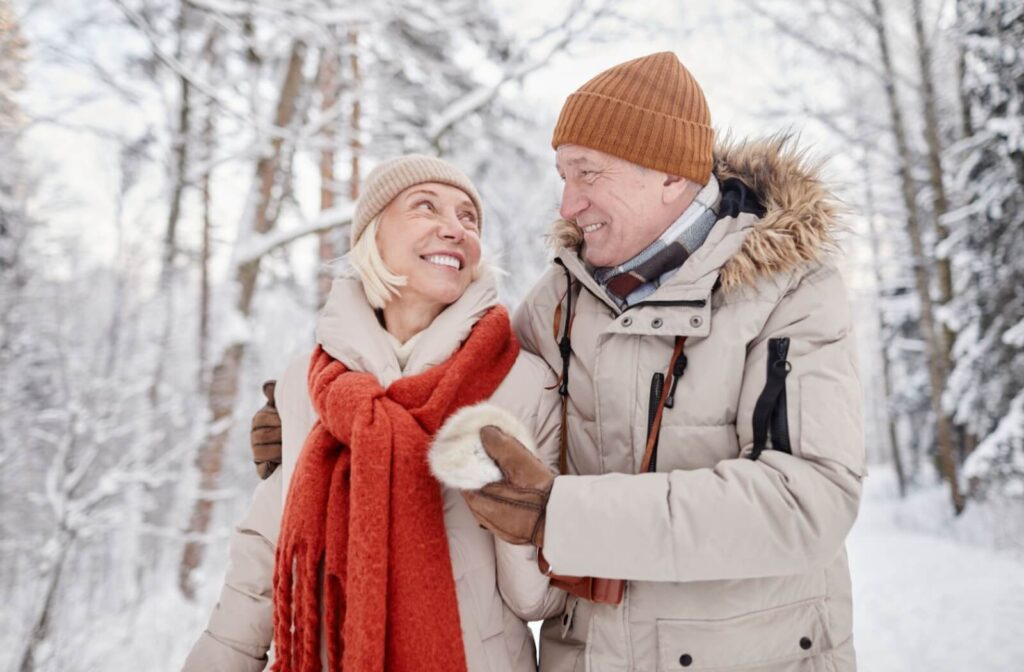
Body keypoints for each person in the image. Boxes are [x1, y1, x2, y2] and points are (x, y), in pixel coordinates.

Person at [447, 52, 865, 671]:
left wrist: (565, 515)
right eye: (563, 175)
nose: (567, 204)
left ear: (670, 175)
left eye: (587, 173)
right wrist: (314, 419)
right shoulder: (556, 301)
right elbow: (456, 392)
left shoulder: (790, 291)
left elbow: (804, 502)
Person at [183, 155, 564, 672]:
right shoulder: (308, 385)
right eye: (425, 207)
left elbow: (537, 602)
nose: (454, 229)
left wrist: (524, 517)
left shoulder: (523, 385)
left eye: (468, 218)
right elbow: (265, 551)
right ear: (372, 237)